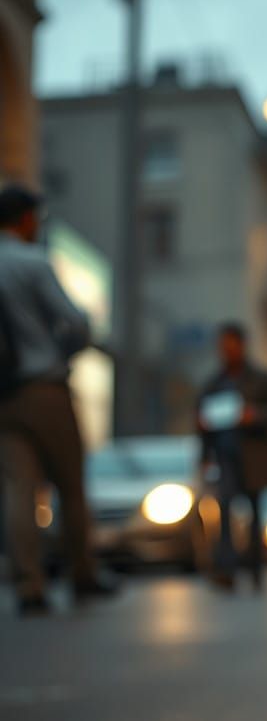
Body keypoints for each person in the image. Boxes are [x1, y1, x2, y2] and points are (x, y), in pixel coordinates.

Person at [0, 184, 117, 614]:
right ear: (26, 218)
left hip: (3, 397)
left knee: (19, 491)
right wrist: (60, 353)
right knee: (70, 484)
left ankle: (29, 585)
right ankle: (81, 573)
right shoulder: (32, 262)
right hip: (44, 388)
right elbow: (75, 323)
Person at [197, 322, 267, 589]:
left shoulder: (261, 379)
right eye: (222, 347)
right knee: (224, 508)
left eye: (231, 345)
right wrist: (204, 453)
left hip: (253, 457)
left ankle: (255, 569)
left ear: (242, 345)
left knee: (254, 511)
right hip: (224, 457)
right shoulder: (213, 384)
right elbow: (201, 423)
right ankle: (226, 568)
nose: (226, 351)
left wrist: (255, 415)